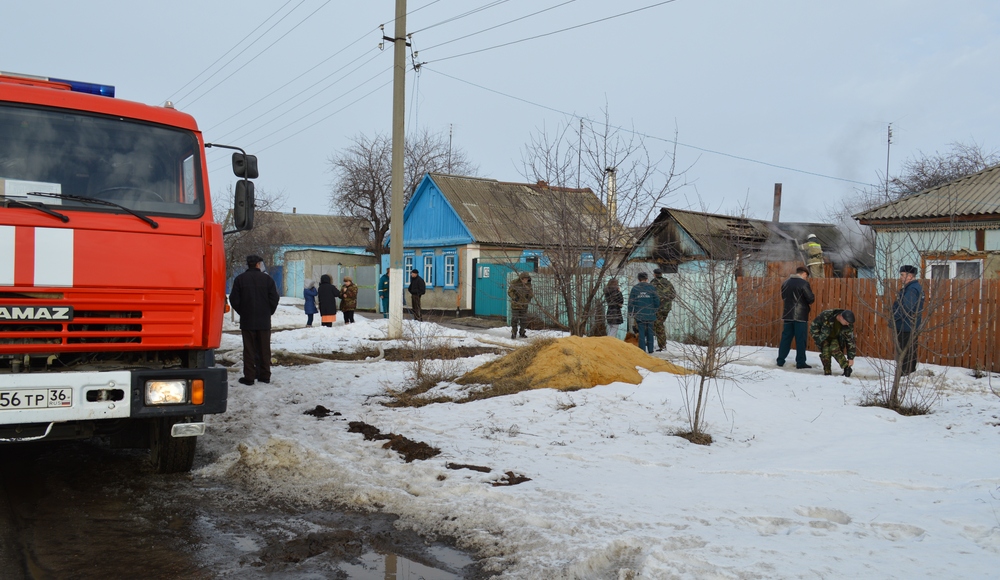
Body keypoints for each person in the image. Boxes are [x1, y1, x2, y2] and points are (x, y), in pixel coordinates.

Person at [228, 254, 279, 385]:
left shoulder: (240, 279)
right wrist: (268, 312)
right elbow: (274, 298)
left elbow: (234, 299)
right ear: (258, 264)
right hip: (263, 320)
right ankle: (264, 375)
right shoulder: (267, 280)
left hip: (247, 320)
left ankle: (249, 377)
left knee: (249, 349)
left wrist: (243, 312)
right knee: (264, 348)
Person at [776, 266, 815, 369]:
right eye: (806, 276)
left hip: (787, 315)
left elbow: (783, 297)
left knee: (786, 338)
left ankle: (780, 360)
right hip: (800, 316)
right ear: (804, 274)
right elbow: (810, 298)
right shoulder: (804, 283)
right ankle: (800, 362)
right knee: (800, 339)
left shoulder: (786, 283)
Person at [891, 264, 924, 376]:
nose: (900, 277)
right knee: (910, 350)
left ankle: (905, 374)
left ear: (910, 275)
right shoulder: (913, 288)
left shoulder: (912, 289)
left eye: (902, 274)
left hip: (906, 325)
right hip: (909, 325)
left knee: (906, 352)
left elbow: (906, 308)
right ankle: (908, 373)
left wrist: (894, 318)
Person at [810, 309, 857, 377]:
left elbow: (850, 341)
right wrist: (818, 339)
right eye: (847, 322)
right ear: (841, 317)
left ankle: (846, 368)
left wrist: (851, 358)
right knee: (825, 352)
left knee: (834, 349)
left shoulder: (848, 326)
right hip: (824, 337)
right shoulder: (827, 315)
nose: (848, 324)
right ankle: (827, 371)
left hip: (837, 339)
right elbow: (814, 326)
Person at [627, 272, 660, 354]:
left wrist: (631, 311)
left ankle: (642, 350)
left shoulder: (635, 288)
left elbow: (631, 302)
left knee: (641, 332)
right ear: (647, 279)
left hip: (639, 314)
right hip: (650, 313)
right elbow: (657, 300)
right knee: (650, 331)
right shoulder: (652, 288)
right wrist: (655, 309)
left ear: (638, 279)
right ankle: (651, 349)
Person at [651, 268, 676, 351]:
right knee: (660, 324)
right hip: (666, 308)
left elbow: (650, 295)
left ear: (654, 274)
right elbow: (673, 295)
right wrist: (666, 301)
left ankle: (662, 346)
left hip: (657, 308)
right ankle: (661, 344)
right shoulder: (668, 283)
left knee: (659, 326)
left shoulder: (653, 283)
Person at [508, 271, 534, 339]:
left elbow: (531, 293)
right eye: (525, 278)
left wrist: (528, 299)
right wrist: (514, 297)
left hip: (524, 305)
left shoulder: (528, 285)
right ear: (521, 278)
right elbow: (510, 291)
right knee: (514, 320)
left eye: (527, 278)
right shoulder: (515, 283)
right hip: (515, 305)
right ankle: (514, 333)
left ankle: (522, 333)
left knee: (524, 320)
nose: (526, 280)